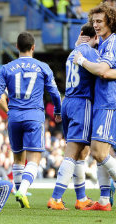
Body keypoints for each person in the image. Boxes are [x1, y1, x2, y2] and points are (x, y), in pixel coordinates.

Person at [0, 31, 61, 208]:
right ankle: (22, 191)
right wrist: (58, 110)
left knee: (18, 159)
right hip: (34, 116)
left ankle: (20, 196)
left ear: (16, 47)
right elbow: (54, 93)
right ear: (33, 47)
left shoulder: (6, 68)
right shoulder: (43, 67)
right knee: (34, 158)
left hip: (14, 117)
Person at [47, 23, 99, 210]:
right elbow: (101, 70)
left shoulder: (73, 52)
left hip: (68, 101)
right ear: (95, 37)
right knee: (73, 151)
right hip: (81, 102)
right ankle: (56, 198)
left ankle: (81, 198)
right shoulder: (91, 52)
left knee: (81, 153)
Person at [74, 2, 116, 211]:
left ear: (110, 20)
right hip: (101, 102)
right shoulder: (104, 43)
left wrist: (81, 60)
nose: (96, 25)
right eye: (94, 22)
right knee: (101, 155)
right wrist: (80, 46)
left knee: (99, 152)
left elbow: (102, 71)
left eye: (100, 21)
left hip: (108, 102)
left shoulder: (113, 42)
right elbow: (104, 71)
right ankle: (104, 201)